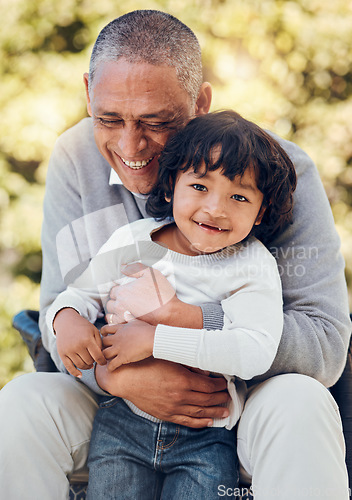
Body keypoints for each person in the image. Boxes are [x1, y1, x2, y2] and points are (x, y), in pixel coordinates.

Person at [0, 9, 350, 500]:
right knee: (20, 403)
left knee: (302, 402)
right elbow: (66, 311)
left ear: (200, 102)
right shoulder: (75, 158)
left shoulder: (276, 174)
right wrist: (117, 375)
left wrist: (181, 326)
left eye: (156, 122)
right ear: (86, 92)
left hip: (233, 404)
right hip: (118, 399)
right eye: (108, 118)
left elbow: (325, 345)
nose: (130, 146)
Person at [48, 110, 296, 499]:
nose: (215, 208)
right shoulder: (133, 241)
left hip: (207, 436)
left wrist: (155, 340)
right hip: (121, 422)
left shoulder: (252, 264)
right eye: (199, 186)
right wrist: (66, 319)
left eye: (238, 196)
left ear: (260, 211)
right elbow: (77, 295)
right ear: (170, 187)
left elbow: (254, 352)